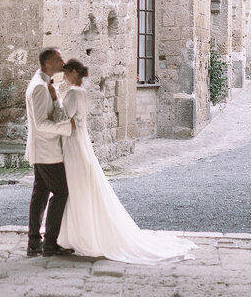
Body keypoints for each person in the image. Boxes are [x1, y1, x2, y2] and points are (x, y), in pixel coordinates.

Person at [58, 59, 196, 265]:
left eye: (65, 72)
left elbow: (63, 118)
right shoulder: (82, 93)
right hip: (80, 143)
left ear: (73, 73)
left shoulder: (72, 93)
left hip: (73, 145)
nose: (63, 76)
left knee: (75, 187)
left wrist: (54, 101)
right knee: (80, 187)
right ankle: (76, 234)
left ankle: (76, 235)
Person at [24, 47, 76, 258]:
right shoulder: (37, 87)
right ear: (48, 63)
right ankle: (49, 244)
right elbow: (41, 124)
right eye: (58, 59)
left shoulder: (45, 84)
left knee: (40, 195)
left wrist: (55, 98)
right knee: (61, 192)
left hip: (45, 150)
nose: (63, 62)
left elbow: (49, 113)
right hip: (46, 150)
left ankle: (35, 243)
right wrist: (66, 127)